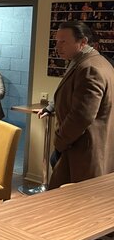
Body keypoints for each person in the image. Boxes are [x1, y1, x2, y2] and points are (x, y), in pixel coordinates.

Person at [47, 21, 114, 189]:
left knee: (70, 201)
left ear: (83, 42)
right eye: (57, 41)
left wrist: (59, 142)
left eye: (63, 42)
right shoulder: (93, 62)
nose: (58, 46)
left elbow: (81, 116)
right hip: (84, 147)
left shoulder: (90, 68)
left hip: (82, 151)